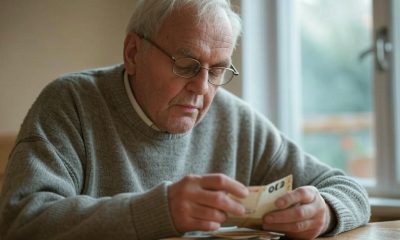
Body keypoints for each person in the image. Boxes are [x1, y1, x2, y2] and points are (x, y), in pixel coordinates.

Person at [0, 0, 370, 239]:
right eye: (186, 64)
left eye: (218, 70)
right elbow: (21, 220)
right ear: (133, 53)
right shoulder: (71, 103)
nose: (202, 88)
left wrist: (324, 211)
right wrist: (158, 211)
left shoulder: (236, 121)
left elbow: (350, 190)